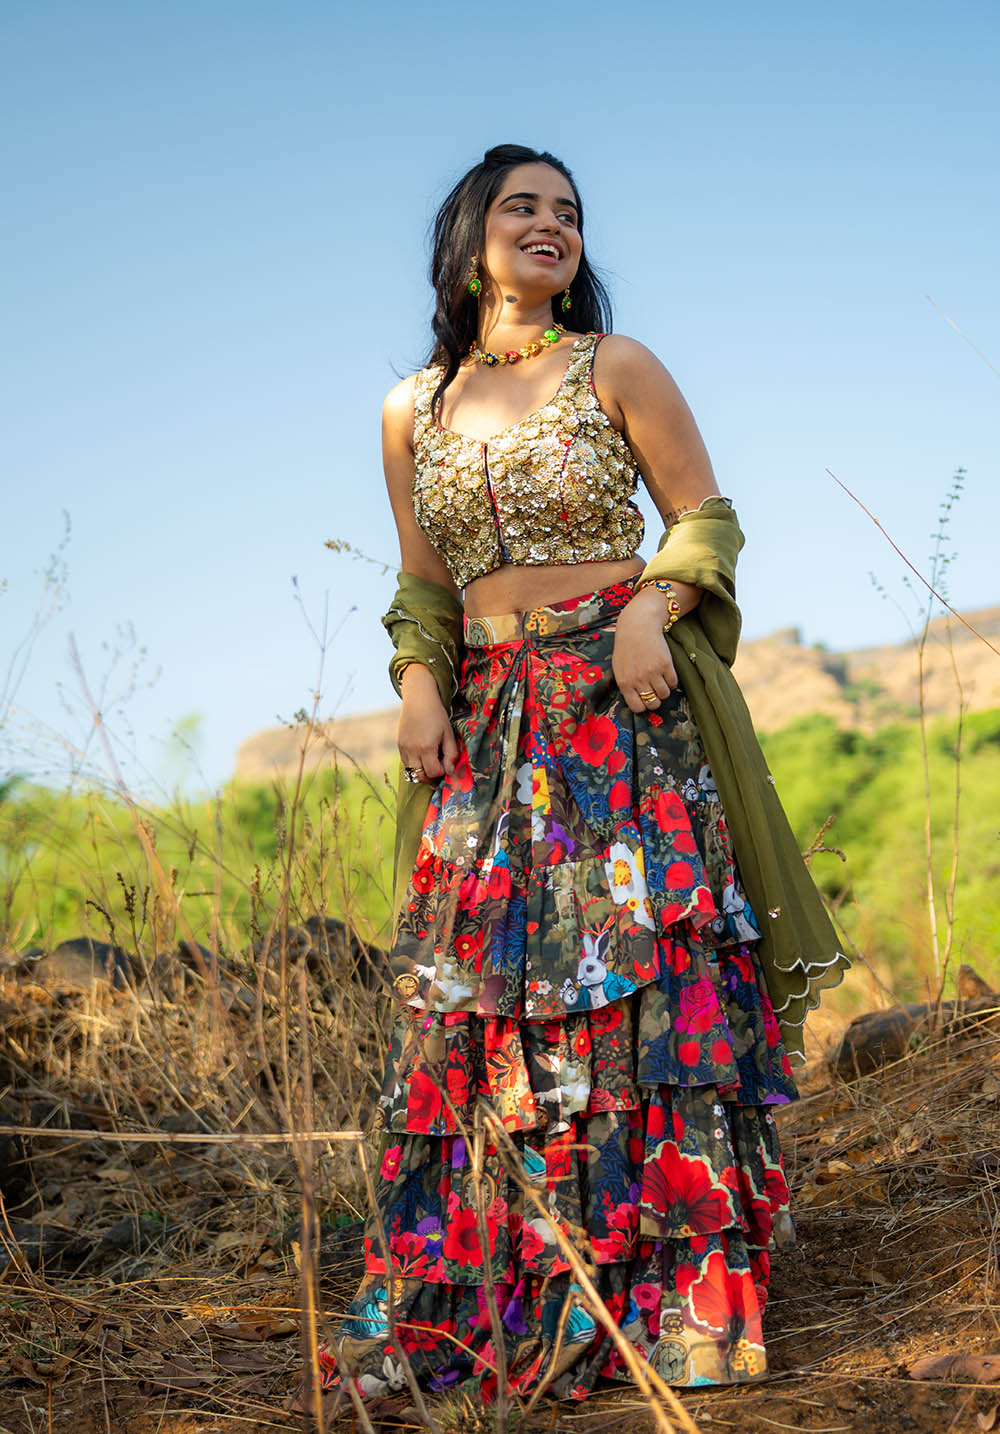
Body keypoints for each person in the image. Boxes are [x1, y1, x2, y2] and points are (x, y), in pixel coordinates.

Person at [314, 143, 848, 1404]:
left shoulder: (615, 366)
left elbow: (705, 517)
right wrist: (416, 683)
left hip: (616, 709)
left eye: (568, 213)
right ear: (470, 237)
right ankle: (485, 1298)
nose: (549, 227)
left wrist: (654, 612)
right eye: (522, 207)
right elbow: (421, 583)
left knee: (641, 1003)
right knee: (478, 1007)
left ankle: (684, 1312)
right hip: (484, 727)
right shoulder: (410, 408)